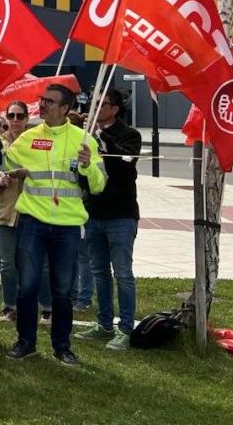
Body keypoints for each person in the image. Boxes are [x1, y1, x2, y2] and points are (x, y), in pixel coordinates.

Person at [3, 84, 106, 366]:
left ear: (65, 108)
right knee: (27, 287)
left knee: (62, 291)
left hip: (67, 227)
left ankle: (62, 347)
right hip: (32, 222)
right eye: (42, 100)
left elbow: (99, 185)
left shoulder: (84, 140)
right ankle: (25, 342)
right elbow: (3, 164)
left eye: (50, 101)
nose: (43, 104)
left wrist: (88, 165)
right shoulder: (29, 137)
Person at [76, 88, 142, 351]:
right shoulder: (85, 136)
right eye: (94, 104)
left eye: (102, 104)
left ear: (115, 108)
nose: (95, 108)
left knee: (123, 273)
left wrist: (100, 138)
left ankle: (125, 328)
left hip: (121, 215)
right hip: (94, 213)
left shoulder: (130, 135)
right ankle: (104, 324)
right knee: (99, 272)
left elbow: (124, 167)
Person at [0, 102, 53, 324]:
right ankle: (9, 307)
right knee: (8, 265)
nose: (15, 120)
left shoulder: (37, 142)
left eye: (20, 116)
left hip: (34, 210)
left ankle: (47, 308)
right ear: (6, 118)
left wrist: (29, 174)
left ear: (27, 118)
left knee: (40, 264)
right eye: (11, 116)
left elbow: (49, 171)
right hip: (5, 211)